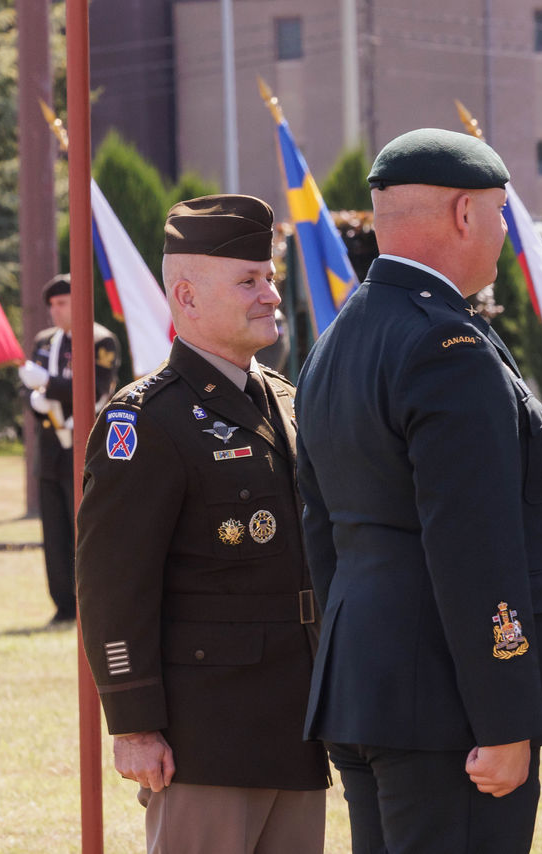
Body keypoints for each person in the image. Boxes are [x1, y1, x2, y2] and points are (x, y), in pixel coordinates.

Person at [294, 128, 542, 854]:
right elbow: (473, 544)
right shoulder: (446, 347)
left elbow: (322, 532)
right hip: (447, 705)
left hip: (364, 686)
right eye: (502, 214)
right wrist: (503, 718)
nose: (505, 234)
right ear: (464, 213)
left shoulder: (336, 341)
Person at [75, 195, 329, 853]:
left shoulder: (285, 400)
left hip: (297, 728)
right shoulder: (147, 421)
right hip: (204, 741)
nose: (270, 294)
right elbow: (111, 585)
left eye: (269, 278)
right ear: (186, 297)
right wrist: (133, 723)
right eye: (249, 281)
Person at [17, 273, 120, 624]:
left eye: (61, 303)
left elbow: (94, 389)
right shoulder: (46, 341)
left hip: (84, 448)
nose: (54, 311)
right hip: (50, 451)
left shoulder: (101, 340)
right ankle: (63, 606)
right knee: (55, 533)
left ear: (79, 301)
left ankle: (88, 603)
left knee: (84, 530)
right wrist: (35, 401)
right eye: (51, 305)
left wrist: (48, 384)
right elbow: (31, 388)